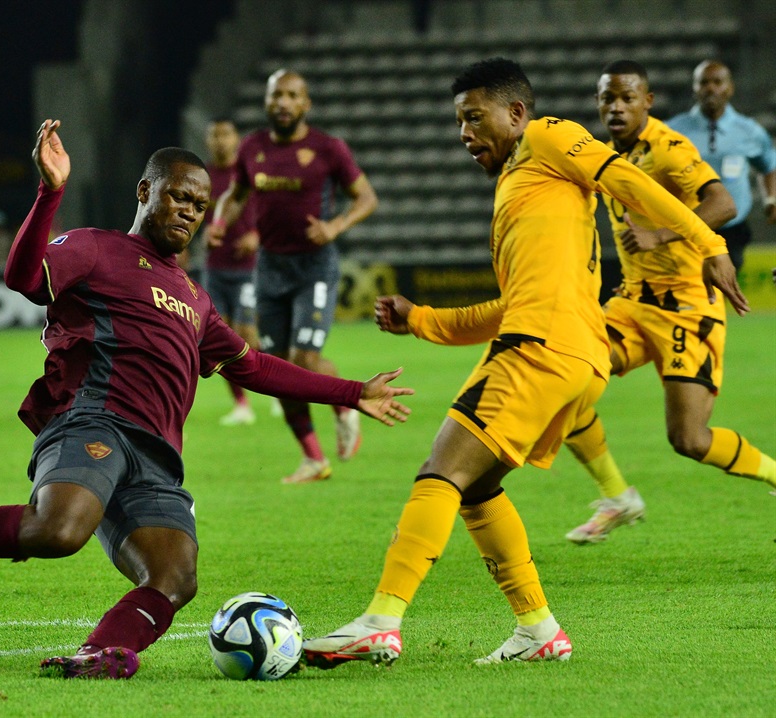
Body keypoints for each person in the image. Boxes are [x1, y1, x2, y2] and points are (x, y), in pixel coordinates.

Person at [0, 120, 414, 681]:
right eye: (179, 196)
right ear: (145, 191)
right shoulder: (95, 248)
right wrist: (50, 194)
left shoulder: (194, 298)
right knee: (59, 532)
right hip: (91, 421)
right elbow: (23, 279)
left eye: (200, 205)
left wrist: (354, 392)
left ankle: (104, 651)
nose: (190, 212)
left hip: (158, 458)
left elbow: (252, 366)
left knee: (175, 578)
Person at [300, 58, 747, 669]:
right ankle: (538, 629)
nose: (464, 133)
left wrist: (710, 242)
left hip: (544, 349)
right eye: (458, 121)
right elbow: (512, 306)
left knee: (442, 470)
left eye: (474, 117)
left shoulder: (547, 136)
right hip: (570, 350)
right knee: (478, 484)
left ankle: (381, 621)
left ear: (515, 113)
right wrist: (422, 320)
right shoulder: (524, 185)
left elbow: (630, 184)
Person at [563, 61, 776, 544]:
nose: (615, 107)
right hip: (632, 303)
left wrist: (659, 234)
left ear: (648, 102)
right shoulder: (601, 153)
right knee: (566, 375)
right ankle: (617, 496)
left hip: (687, 308)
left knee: (690, 440)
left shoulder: (669, 147)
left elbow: (724, 204)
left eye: (626, 98)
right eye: (607, 98)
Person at [210, 69, 379, 484]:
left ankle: (344, 408)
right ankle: (314, 459)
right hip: (269, 269)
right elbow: (236, 195)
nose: (282, 103)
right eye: (275, 95)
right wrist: (218, 221)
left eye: (291, 95)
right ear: (267, 102)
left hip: (314, 267)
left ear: (306, 104)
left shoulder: (327, 148)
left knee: (303, 359)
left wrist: (334, 228)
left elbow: (367, 197)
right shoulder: (252, 147)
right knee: (275, 370)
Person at [667, 60, 776, 272]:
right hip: (689, 225)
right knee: (692, 288)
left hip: (733, 228)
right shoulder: (671, 131)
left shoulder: (749, 131)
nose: (710, 88)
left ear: (730, 88)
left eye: (717, 82)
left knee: (719, 287)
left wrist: (771, 198)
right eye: (704, 82)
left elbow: (769, 166)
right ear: (694, 89)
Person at [203, 119, 261, 426]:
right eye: (214, 135)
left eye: (225, 134)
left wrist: (257, 236)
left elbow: (276, 210)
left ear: (236, 137)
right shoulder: (204, 177)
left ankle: (279, 388)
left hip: (249, 269)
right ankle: (242, 405)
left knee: (247, 334)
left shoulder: (250, 173)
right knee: (219, 337)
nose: (220, 140)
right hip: (215, 268)